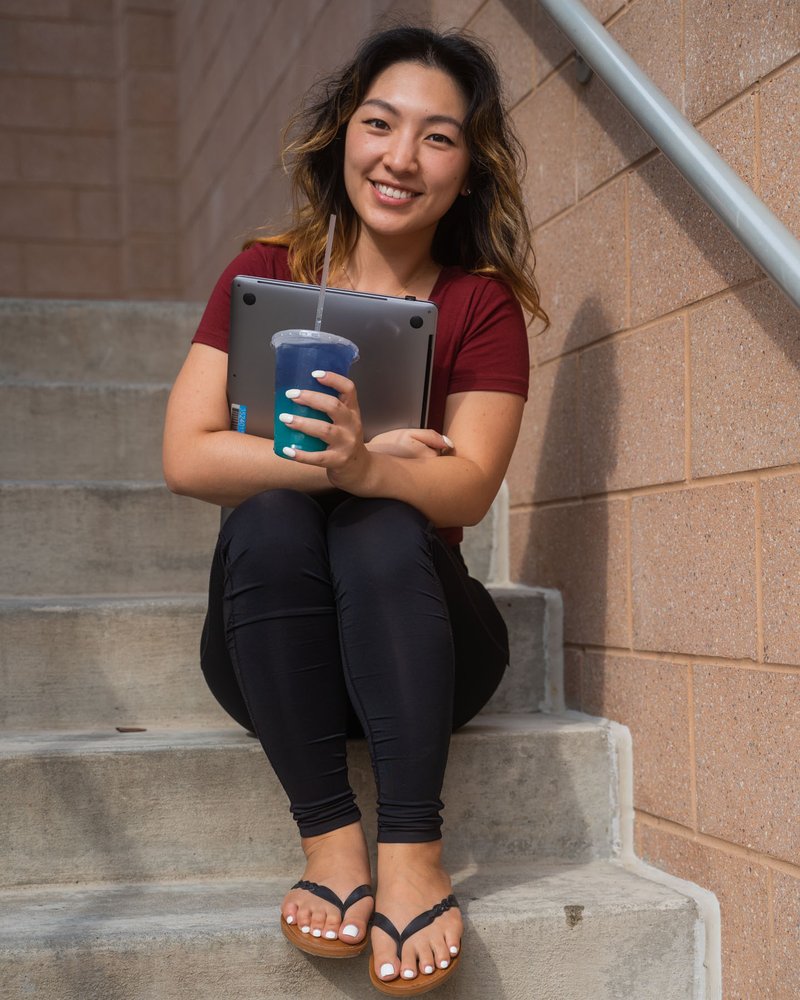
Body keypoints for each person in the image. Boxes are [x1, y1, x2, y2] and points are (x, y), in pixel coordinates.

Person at [163, 23, 546, 995]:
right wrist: (330, 462)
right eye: (380, 124)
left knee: (380, 522)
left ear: (468, 169)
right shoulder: (264, 271)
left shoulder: (479, 306)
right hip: (275, 650)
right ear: (343, 134)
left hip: (424, 647)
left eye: (437, 137)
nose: (400, 157)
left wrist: (370, 474)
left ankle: (412, 844)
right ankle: (332, 841)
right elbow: (185, 454)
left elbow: (465, 486)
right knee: (268, 513)